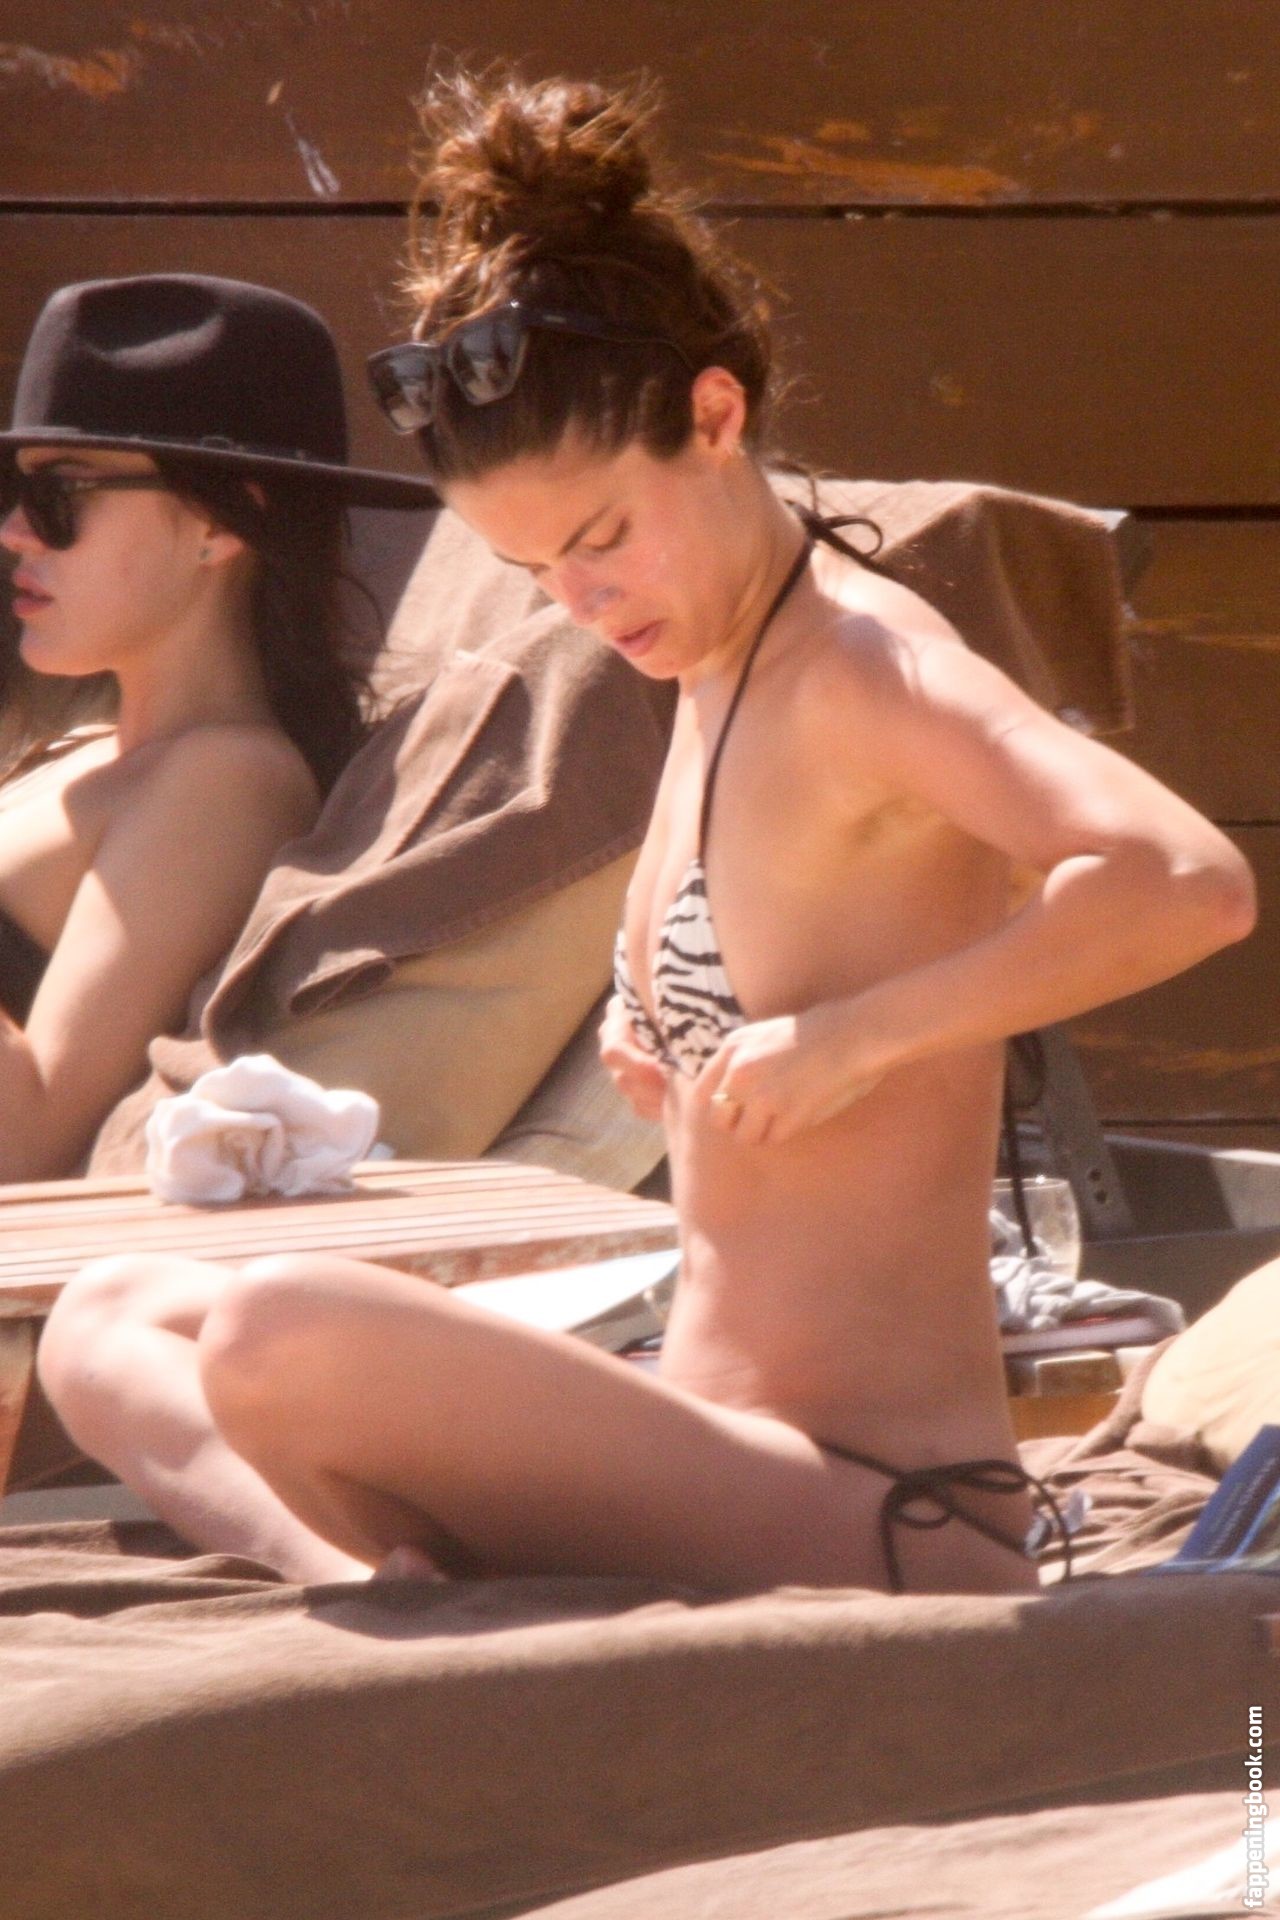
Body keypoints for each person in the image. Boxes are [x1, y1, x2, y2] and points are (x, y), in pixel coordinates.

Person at [37, 76, 1255, 1595]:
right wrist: (651, 1021)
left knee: (279, 1328)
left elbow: (1185, 883)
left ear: (715, 418)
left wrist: (855, 1039)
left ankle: (400, 1589)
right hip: (698, 1435)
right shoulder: (702, 669)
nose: (584, 601)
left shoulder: (864, 664)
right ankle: (372, 1590)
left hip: (879, 1504)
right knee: (106, 1321)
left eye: (602, 537)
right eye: (535, 571)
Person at [0, 272, 436, 1180]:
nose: (14, 531)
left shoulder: (228, 779)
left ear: (220, 520)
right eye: (17, 487)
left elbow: (29, 1139)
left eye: (61, 493)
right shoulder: (91, 752)